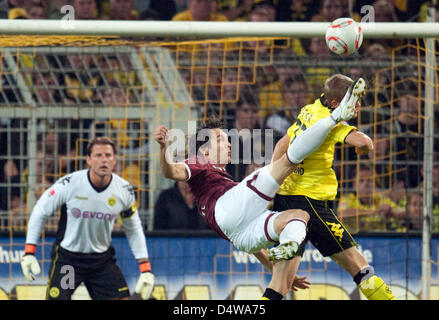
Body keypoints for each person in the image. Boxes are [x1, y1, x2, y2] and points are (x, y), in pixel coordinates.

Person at [153, 80, 362, 299]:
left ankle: (289, 246)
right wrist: (164, 149)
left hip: (239, 235)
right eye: (221, 140)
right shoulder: (200, 161)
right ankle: (335, 116)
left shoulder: (217, 181)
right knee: (287, 162)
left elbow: (253, 245)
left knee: (299, 217)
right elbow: (172, 172)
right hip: (228, 210)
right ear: (205, 150)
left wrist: (276, 269)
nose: (229, 144)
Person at [271, 74, 396, 300]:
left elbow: (282, 144)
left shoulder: (309, 109)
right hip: (311, 204)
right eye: (354, 100)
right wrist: (364, 149)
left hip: (285, 199)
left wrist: (272, 182)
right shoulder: (330, 120)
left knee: (281, 283)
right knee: (360, 266)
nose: (358, 105)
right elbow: (364, 142)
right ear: (336, 104)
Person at [20, 137, 155, 300]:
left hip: (101, 262)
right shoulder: (69, 184)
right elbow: (40, 210)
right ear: (88, 160)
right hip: (69, 260)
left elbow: (133, 229)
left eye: (108, 155)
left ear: (114, 160)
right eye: (98, 155)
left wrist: (145, 268)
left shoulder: (124, 191)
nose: (104, 160)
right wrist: (29, 251)